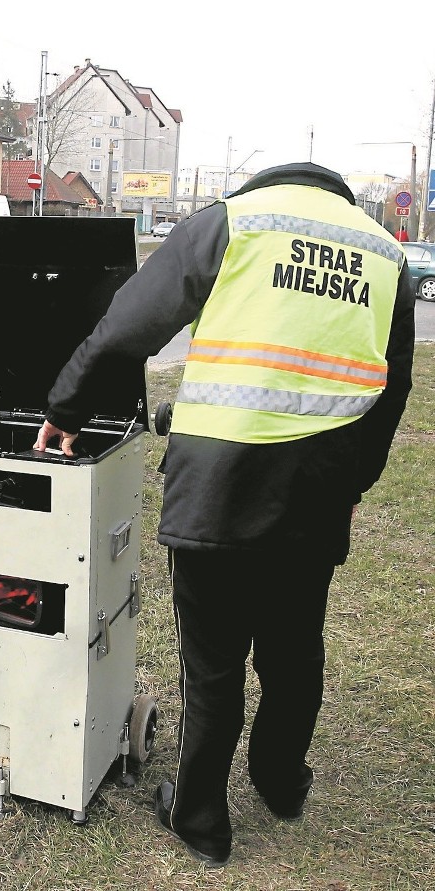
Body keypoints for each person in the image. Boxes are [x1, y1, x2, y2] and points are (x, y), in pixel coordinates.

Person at [34, 162, 415, 868]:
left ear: (266, 180)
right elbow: (392, 388)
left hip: (216, 488)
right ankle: (280, 783)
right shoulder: (386, 252)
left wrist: (65, 408)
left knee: (211, 667)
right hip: (319, 490)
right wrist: (356, 481)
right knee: (294, 651)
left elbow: (127, 326)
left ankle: (201, 818)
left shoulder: (231, 220)